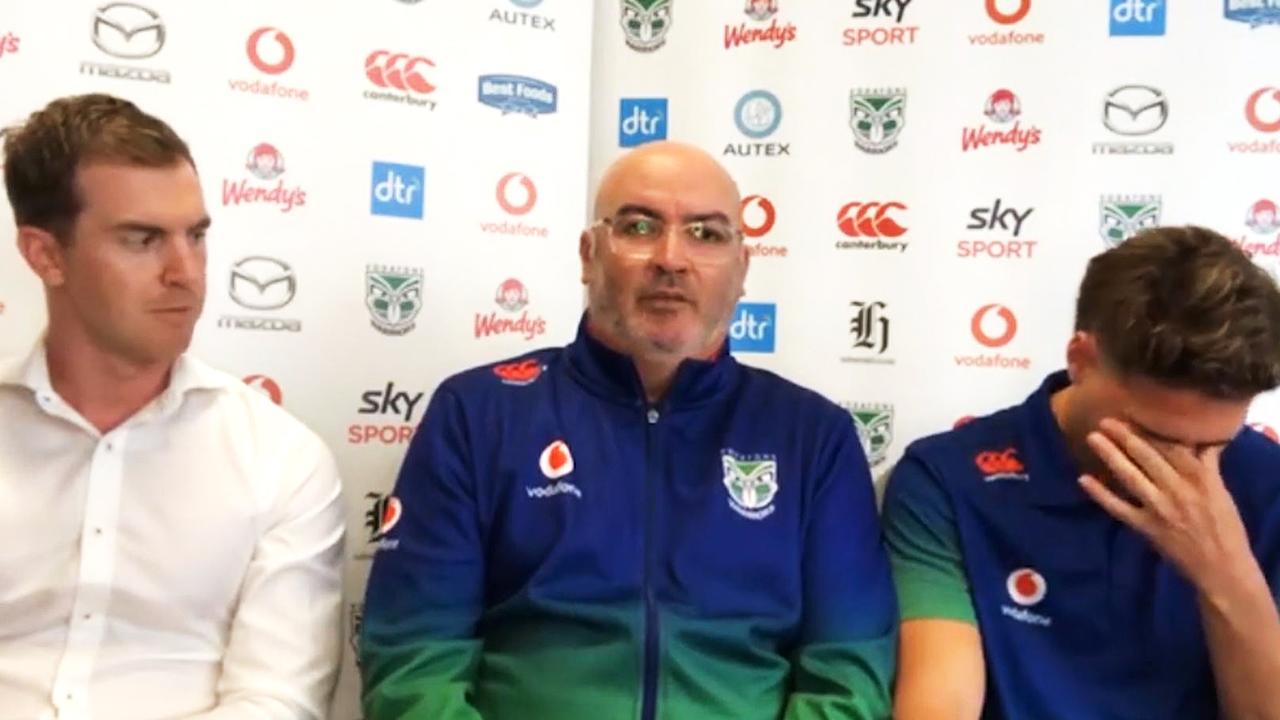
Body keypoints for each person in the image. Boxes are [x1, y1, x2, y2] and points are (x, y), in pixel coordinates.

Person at [360, 141, 897, 719]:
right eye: (639, 227)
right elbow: (414, 667)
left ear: (742, 270)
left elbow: (848, 681)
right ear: (589, 254)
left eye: (706, 234)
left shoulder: (813, 438)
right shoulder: (476, 413)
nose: (671, 258)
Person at [0, 93, 345, 719]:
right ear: (45, 255)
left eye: (197, 236)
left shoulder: (279, 459)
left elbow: (276, 702)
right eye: (143, 240)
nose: (185, 272)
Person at [885, 225, 1280, 719]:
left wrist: (1225, 575)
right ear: (1082, 359)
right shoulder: (948, 480)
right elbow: (938, 704)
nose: (1181, 470)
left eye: (1212, 447)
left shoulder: (1268, 487)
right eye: (1153, 438)